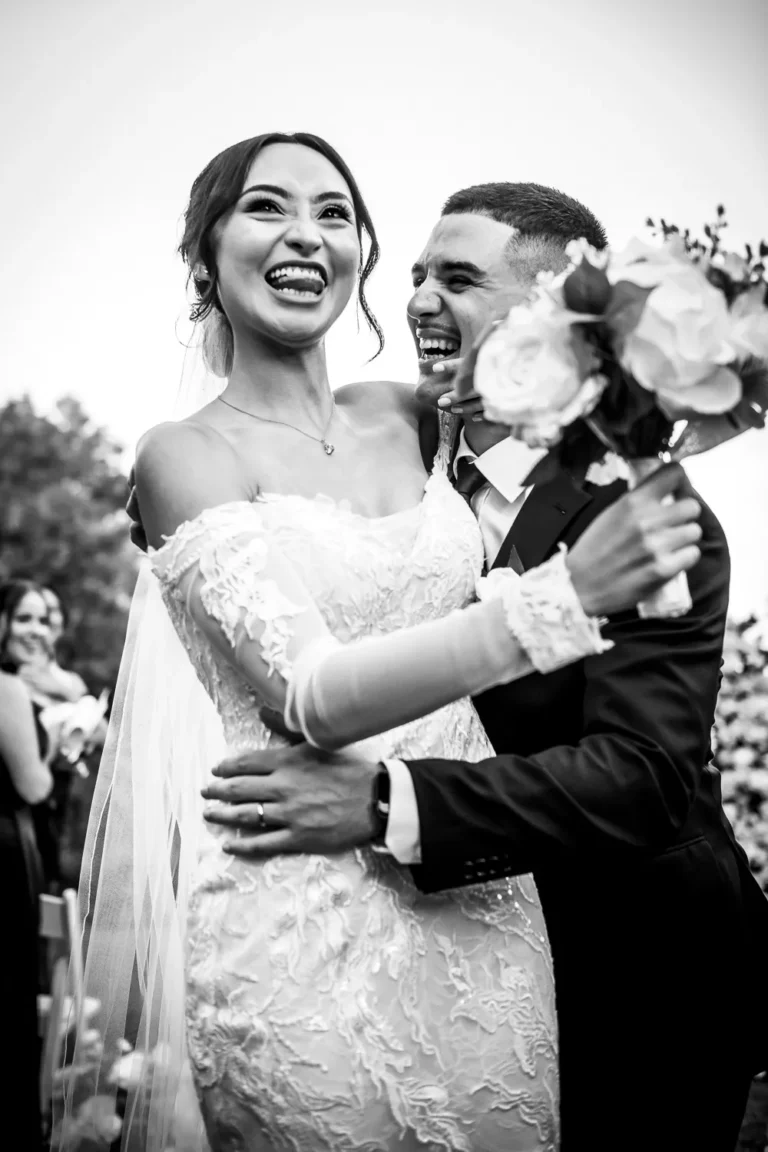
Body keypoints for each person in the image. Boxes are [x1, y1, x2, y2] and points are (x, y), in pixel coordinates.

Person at [104, 134, 703, 1152]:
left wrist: (702, 360)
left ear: (358, 254)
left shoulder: (414, 415)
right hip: (301, 903)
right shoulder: (183, 456)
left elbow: (571, 403)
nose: (307, 234)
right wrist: (557, 602)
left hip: (483, 900)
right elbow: (311, 695)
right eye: (267, 207)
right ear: (203, 255)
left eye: (335, 213)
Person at [0, 578, 56, 1149]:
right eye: (23, 619)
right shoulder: (8, 691)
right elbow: (35, 787)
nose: (37, 631)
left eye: (43, 620)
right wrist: (59, 746)